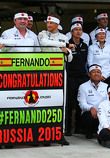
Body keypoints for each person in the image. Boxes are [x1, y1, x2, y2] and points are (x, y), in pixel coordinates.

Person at [38, 13, 73, 145]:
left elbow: (69, 58)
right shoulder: (42, 34)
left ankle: (60, 132)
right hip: (45, 71)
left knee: (60, 102)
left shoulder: (64, 37)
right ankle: (45, 133)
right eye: (47, 23)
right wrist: (63, 45)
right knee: (45, 101)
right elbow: (44, 43)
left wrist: (67, 51)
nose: (48, 25)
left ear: (57, 24)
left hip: (59, 72)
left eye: (51, 23)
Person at [66, 23, 89, 135]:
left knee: (81, 103)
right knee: (70, 103)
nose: (78, 32)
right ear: (72, 32)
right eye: (76, 30)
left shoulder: (85, 45)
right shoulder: (67, 43)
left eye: (80, 30)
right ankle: (68, 128)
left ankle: (80, 128)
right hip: (71, 77)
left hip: (82, 77)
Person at [77, 64, 108, 139]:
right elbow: (82, 104)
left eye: (98, 72)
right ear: (89, 74)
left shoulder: (106, 86)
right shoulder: (83, 86)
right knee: (88, 117)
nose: (96, 74)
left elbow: (108, 102)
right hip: (90, 113)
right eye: (93, 72)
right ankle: (89, 132)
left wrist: (100, 111)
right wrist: (91, 108)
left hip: (103, 112)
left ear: (101, 74)